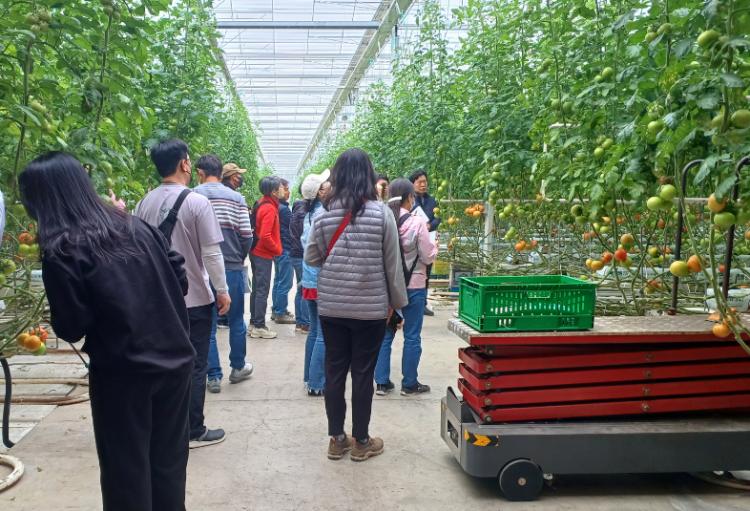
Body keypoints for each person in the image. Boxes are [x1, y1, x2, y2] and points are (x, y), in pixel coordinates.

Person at [21, 151, 193, 510]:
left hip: (123, 373)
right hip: (175, 361)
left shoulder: (63, 248)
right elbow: (180, 279)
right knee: (168, 468)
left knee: (125, 475)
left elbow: (72, 326)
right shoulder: (136, 226)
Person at [305, 148, 407, 462]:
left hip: (332, 307)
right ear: (368, 176)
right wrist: (397, 304)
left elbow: (311, 257)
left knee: (334, 371)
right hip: (370, 309)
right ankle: (361, 441)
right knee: (363, 374)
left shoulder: (324, 215)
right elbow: (392, 265)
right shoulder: (381, 214)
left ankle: (337, 440)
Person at [135, 139, 229, 449]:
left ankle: (162, 426)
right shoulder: (197, 202)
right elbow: (211, 253)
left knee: (161, 362)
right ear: (184, 164)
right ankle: (192, 428)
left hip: (156, 301)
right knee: (194, 364)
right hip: (194, 299)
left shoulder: (144, 203)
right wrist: (222, 290)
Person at [195, 157, 254, 394]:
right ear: (221, 174)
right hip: (231, 266)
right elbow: (247, 235)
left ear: (199, 173)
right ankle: (238, 367)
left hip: (201, 270)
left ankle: (213, 376)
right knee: (237, 320)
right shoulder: (236, 198)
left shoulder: (192, 195)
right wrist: (238, 256)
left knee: (207, 325)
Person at [374, 178, 438, 396]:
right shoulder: (417, 223)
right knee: (412, 335)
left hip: (388, 287)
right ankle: (409, 384)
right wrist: (435, 248)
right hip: (414, 285)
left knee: (385, 333)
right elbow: (427, 257)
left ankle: (381, 382)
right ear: (410, 198)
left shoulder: (383, 221)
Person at [298, 170, 331, 396]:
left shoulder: (310, 214)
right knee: (323, 334)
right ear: (320, 192)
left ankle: (309, 376)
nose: (330, 184)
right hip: (320, 278)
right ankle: (317, 383)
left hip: (309, 278)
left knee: (314, 331)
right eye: (326, 183)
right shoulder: (323, 215)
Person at [249, 176, 283, 338]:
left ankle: (253, 323)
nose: (283, 189)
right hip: (263, 254)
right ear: (274, 191)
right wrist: (277, 249)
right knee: (262, 290)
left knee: (257, 289)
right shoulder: (269, 208)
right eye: (281, 187)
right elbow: (265, 235)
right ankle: (259, 326)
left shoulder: (262, 202)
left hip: (255, 251)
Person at [408, 170, 441, 316]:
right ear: (412, 184)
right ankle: (410, 301)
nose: (423, 185)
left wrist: (429, 225)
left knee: (426, 271)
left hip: (428, 239)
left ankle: (423, 303)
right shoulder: (409, 200)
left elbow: (438, 217)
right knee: (413, 271)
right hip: (413, 241)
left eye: (425, 182)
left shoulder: (432, 201)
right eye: (419, 182)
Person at [289, 184, 315, 335]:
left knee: (301, 288)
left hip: (296, 253)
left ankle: (300, 322)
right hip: (302, 254)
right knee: (305, 288)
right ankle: (305, 323)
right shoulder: (305, 211)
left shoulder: (298, 208)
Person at [271, 178, 297, 325]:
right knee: (285, 283)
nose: (288, 192)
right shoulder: (284, 210)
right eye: (286, 189)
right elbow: (291, 231)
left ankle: (277, 310)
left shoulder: (278, 207)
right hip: (285, 249)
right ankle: (280, 312)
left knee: (278, 280)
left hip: (278, 249)